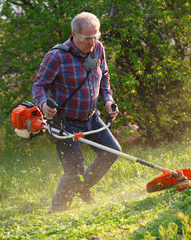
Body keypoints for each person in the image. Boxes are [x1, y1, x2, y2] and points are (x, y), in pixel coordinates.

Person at [32, 12, 121, 213]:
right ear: (74, 34)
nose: (93, 42)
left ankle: (82, 188)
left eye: (96, 37)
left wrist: (107, 100)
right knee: (73, 172)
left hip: (91, 117)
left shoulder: (98, 48)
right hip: (64, 122)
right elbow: (39, 85)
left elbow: (104, 76)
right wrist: (43, 103)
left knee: (111, 152)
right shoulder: (56, 56)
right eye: (88, 38)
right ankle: (57, 212)